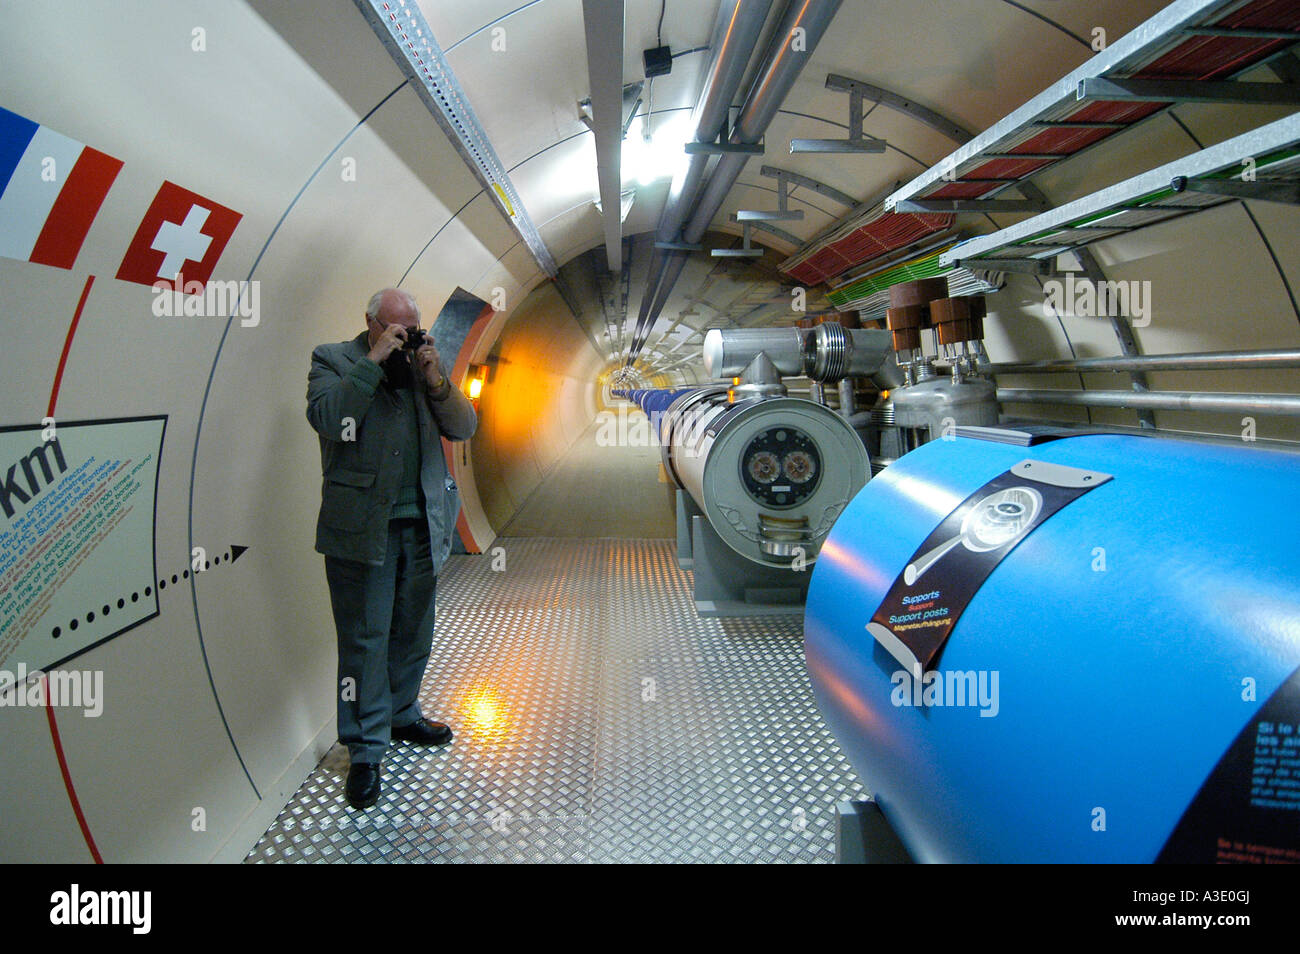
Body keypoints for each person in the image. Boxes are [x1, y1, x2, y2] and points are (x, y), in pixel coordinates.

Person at [305, 288, 477, 809]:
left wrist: (436, 379)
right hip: (363, 530)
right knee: (364, 639)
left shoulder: (424, 369)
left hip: (423, 525)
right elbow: (329, 420)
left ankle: (403, 715)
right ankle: (364, 749)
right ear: (371, 324)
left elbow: (465, 426)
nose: (403, 339)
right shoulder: (334, 360)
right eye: (394, 330)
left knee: (412, 630)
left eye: (411, 330)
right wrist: (374, 364)